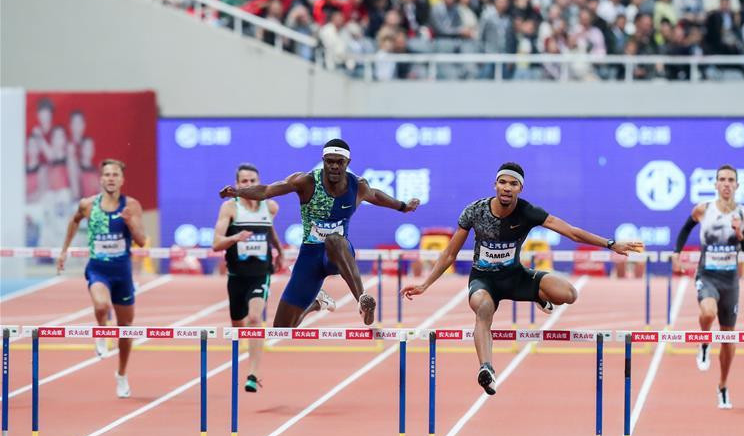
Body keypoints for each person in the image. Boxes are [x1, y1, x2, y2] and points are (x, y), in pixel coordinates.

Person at [401, 162, 644, 396]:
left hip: (516, 277)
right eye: (502, 182)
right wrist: (425, 284)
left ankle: (539, 295)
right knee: (483, 308)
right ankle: (486, 367)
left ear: (520, 188)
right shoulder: (475, 211)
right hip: (483, 282)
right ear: (495, 185)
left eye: (513, 184)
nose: (507, 187)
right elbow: (450, 253)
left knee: (569, 294)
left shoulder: (528, 211)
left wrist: (611, 244)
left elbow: (570, 231)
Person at [219, 139, 419, 328]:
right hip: (310, 257)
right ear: (323, 161)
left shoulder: (357, 185)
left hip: (338, 254)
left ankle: (362, 299)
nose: (334, 166)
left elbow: (376, 195)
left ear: (347, 162)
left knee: (334, 240)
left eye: (339, 162)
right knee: (281, 328)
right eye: (329, 162)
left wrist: (403, 207)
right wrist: (238, 193)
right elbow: (267, 191)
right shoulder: (306, 182)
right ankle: (317, 303)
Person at [56, 159, 147, 398]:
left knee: (126, 329)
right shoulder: (88, 205)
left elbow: (142, 240)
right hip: (98, 269)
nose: (110, 178)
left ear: (121, 179)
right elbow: (74, 221)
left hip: (122, 273)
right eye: (106, 174)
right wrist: (64, 250)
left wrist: (129, 222)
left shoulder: (131, 205)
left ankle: (121, 374)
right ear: (101, 178)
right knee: (101, 305)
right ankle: (100, 330)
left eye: (115, 174)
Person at [672, 165, 744, 409]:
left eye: (731, 180)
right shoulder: (703, 209)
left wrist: (740, 234)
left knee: (729, 338)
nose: (727, 183)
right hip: (707, 275)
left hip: (730, 281)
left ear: (738, 185)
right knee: (707, 312)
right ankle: (704, 341)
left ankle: (722, 386)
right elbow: (685, 229)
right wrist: (677, 253)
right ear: (716, 185)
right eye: (722, 179)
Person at [212, 163, 292, 393]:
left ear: (259, 183)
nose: (248, 185)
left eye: (252, 181)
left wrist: (280, 250)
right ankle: (239, 361)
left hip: (260, 274)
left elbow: (269, 230)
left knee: (255, 319)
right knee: (237, 326)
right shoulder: (230, 208)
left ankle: (253, 374)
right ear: (237, 185)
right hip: (236, 276)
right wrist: (237, 237)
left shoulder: (271, 206)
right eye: (244, 182)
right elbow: (216, 244)